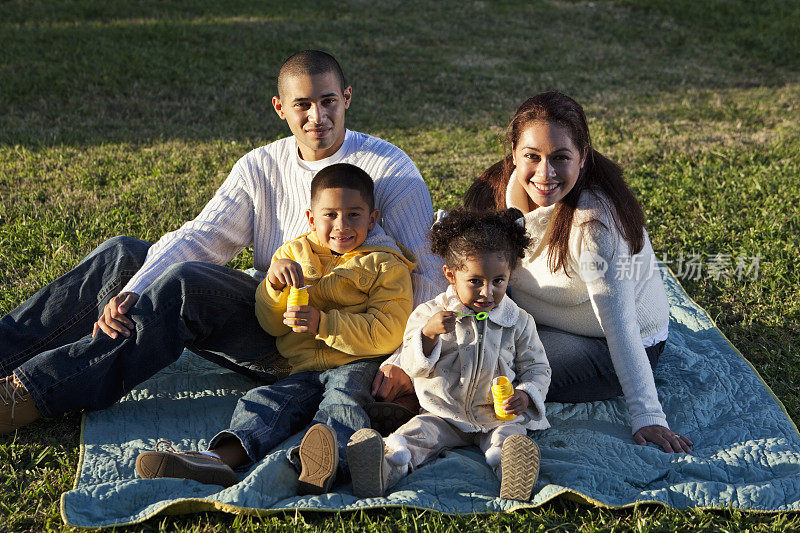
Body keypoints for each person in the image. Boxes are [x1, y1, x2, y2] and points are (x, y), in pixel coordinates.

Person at [0, 50, 445, 435]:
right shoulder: (260, 166)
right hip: (273, 307)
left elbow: (426, 274)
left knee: (184, 285)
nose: (317, 117)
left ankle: (31, 392)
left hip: (335, 342)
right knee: (125, 255)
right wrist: (135, 286)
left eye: (328, 101)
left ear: (346, 97)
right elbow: (204, 235)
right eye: (302, 105)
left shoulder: (390, 169)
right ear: (280, 108)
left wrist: (405, 364)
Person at [135, 163, 415, 493]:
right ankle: (216, 458)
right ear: (311, 218)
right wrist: (272, 285)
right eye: (330, 215)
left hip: (355, 363)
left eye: (354, 215)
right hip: (297, 367)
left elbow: (389, 329)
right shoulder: (293, 254)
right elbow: (269, 324)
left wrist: (324, 324)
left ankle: (323, 465)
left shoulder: (385, 264)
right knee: (265, 403)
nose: (342, 225)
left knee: (343, 403)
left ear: (373, 218)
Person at [461, 91, 693, 453]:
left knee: (487, 366)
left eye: (561, 158)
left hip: (609, 345)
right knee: (452, 345)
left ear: (583, 157)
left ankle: (501, 448)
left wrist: (648, 415)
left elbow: (621, 326)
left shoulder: (594, 223)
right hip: (543, 321)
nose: (545, 174)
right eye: (532, 157)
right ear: (513, 150)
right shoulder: (495, 195)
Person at [347, 208, 551, 501]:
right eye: (475, 281)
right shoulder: (430, 314)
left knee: (509, 439)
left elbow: (538, 368)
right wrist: (428, 335)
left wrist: (527, 394)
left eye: (498, 281)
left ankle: (513, 471)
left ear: (510, 275)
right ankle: (382, 469)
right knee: (414, 437)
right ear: (451, 275)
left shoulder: (518, 320)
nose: (487, 292)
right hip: (442, 411)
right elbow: (412, 366)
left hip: (496, 415)